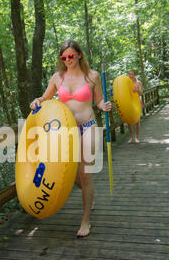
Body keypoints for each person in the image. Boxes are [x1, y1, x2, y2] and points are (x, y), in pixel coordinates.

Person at [30, 40, 112, 238]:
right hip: (67, 132)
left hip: (88, 127)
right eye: (64, 57)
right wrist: (37, 101)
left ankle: (85, 219)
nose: (68, 60)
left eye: (71, 56)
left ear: (79, 55)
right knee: (74, 176)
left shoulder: (92, 76)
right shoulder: (58, 78)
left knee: (85, 174)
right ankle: (88, 193)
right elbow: (45, 98)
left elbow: (98, 99)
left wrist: (103, 105)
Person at [127, 70, 144, 143]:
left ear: (135, 75)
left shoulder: (138, 83)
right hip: (129, 103)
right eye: (129, 74)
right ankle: (131, 137)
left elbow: (141, 93)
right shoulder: (126, 83)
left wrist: (137, 90)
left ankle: (137, 137)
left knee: (137, 121)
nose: (130, 76)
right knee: (129, 122)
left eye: (132, 74)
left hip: (137, 103)